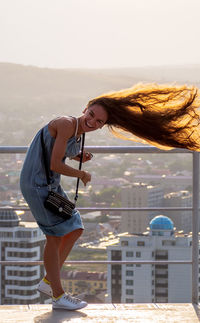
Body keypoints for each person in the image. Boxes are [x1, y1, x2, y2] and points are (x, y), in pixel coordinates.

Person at [20, 82, 200, 311]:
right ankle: (57, 294)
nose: (92, 122)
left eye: (99, 122)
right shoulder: (66, 124)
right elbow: (55, 163)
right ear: (86, 108)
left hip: (49, 185)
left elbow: (56, 150)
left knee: (75, 227)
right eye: (92, 115)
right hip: (38, 186)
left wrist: (78, 156)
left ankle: (49, 282)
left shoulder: (77, 134)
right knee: (53, 237)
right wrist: (81, 173)